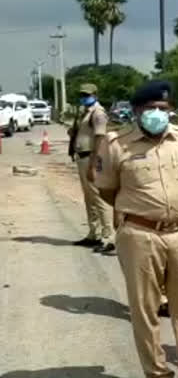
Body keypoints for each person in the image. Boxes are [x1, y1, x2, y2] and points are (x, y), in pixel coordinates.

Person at [94, 80, 178, 378]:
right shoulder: (116, 143)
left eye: (163, 109)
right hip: (140, 235)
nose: (157, 115)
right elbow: (107, 190)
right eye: (150, 110)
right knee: (145, 309)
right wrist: (143, 212)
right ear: (136, 112)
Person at [70, 83, 115, 253]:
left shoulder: (98, 113)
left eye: (87, 94)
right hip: (82, 157)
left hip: (91, 157)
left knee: (98, 199)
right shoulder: (85, 112)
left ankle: (108, 237)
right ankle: (93, 233)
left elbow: (100, 138)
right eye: (82, 94)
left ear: (96, 94)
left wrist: (94, 164)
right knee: (89, 199)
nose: (83, 97)